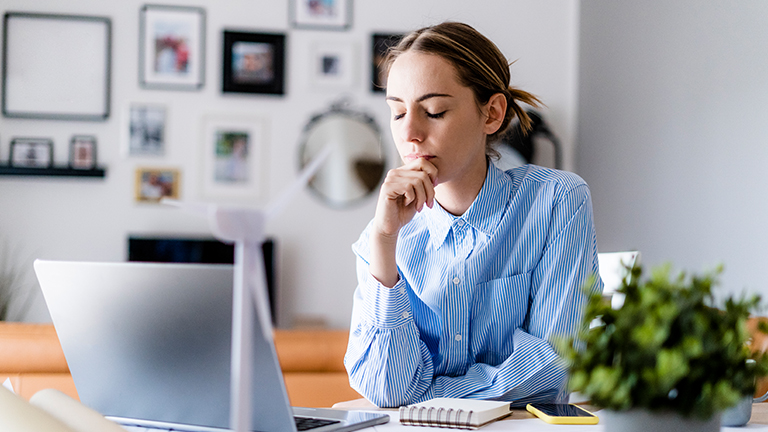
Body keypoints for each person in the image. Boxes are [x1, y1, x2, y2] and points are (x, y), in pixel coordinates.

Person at [343, 21, 603, 408]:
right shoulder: (382, 237)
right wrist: (384, 243)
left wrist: (425, 393)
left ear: (492, 114)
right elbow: (385, 389)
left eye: (433, 111)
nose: (410, 132)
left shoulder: (556, 202)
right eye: (397, 113)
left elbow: (555, 367)